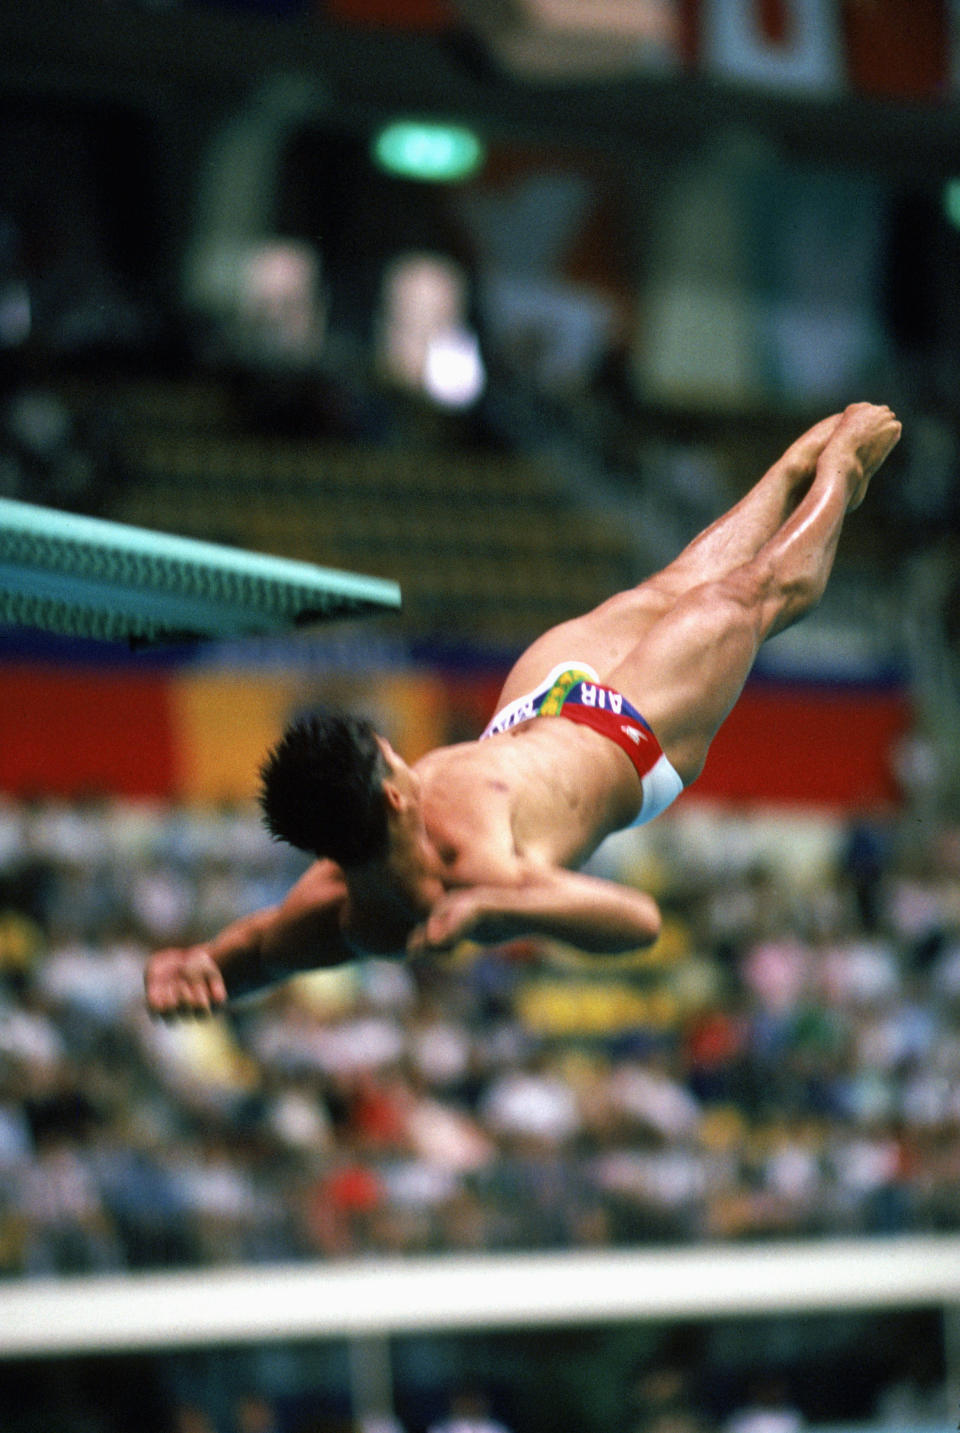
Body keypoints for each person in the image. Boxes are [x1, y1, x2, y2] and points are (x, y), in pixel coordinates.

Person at [145, 403, 901, 1018]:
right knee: (748, 598)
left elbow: (258, 950)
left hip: (531, 714)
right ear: (394, 792)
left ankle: (785, 470)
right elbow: (638, 921)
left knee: (665, 589)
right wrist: (500, 913)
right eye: (390, 753)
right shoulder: (476, 878)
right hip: (634, 741)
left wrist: (200, 962)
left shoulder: (338, 897)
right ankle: (839, 473)